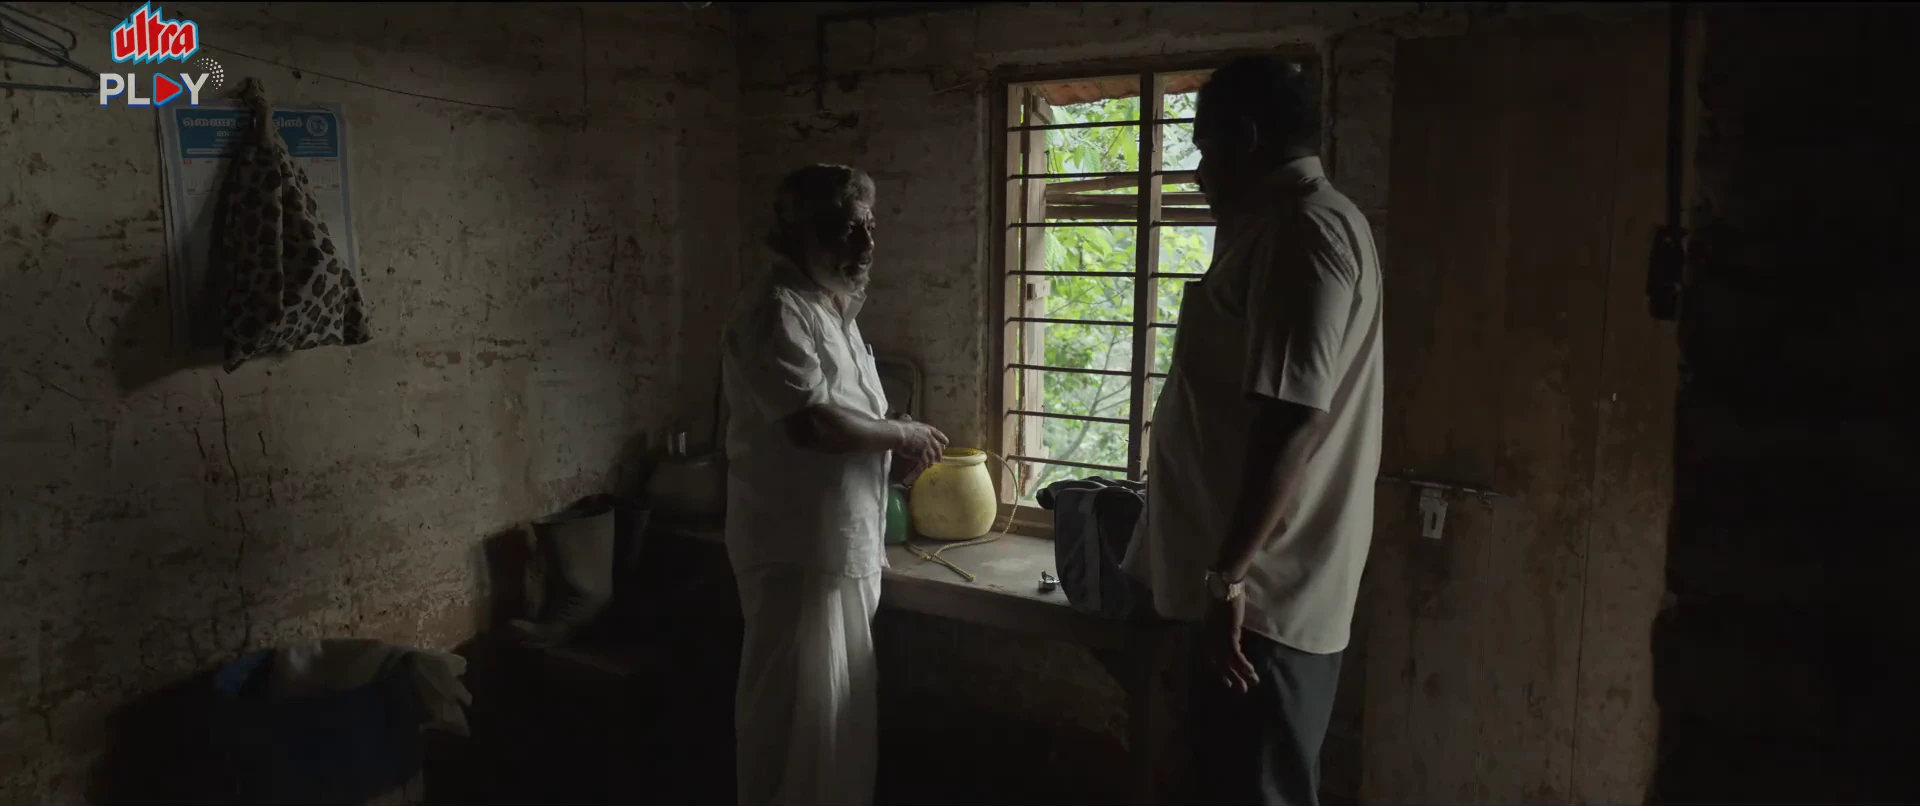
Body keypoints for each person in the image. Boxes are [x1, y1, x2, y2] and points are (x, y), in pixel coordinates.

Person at [1121, 56, 1384, 806]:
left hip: (1257, 605)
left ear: (1245, 138)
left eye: (1205, 150)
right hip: (1245, 595)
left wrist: (1229, 577)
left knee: (1254, 788)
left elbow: (1292, 421)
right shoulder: (1287, 228)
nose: (1199, 174)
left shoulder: (1304, 233)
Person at [719, 164, 948, 806]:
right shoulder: (774, 310)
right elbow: (812, 424)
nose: (866, 244)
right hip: (795, 554)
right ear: (799, 232)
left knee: (835, 732)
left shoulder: (832, 307)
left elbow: (849, 420)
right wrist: (900, 435)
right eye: (848, 230)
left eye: (869, 227)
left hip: (839, 548)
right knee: (792, 729)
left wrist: (892, 446)